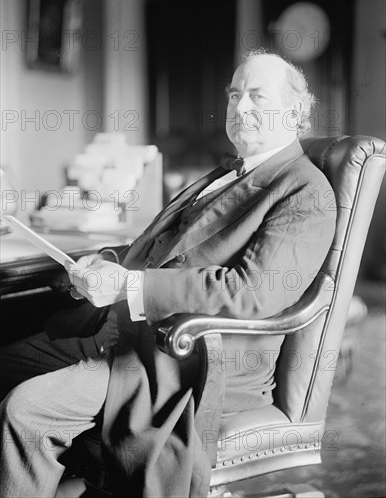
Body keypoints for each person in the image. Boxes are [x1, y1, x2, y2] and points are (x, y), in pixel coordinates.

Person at [0, 49, 336, 498]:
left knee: (26, 409)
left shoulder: (304, 191)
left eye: (257, 96)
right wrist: (107, 266)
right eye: (235, 95)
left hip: (186, 360)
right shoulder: (223, 172)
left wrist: (130, 285)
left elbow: (251, 293)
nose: (240, 108)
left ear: (295, 114)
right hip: (123, 332)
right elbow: (158, 251)